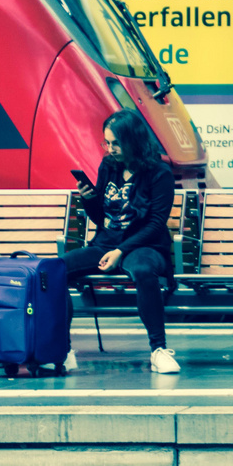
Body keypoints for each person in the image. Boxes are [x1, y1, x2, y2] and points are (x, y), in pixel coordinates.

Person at [66, 110, 180, 374]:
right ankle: (61, 349)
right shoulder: (108, 166)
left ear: (133, 140)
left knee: (142, 270)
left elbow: (155, 224)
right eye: (107, 142)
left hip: (146, 246)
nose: (110, 148)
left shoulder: (160, 172)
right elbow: (102, 218)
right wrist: (88, 199)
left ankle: (158, 350)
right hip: (108, 243)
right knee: (55, 269)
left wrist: (121, 250)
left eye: (116, 143)